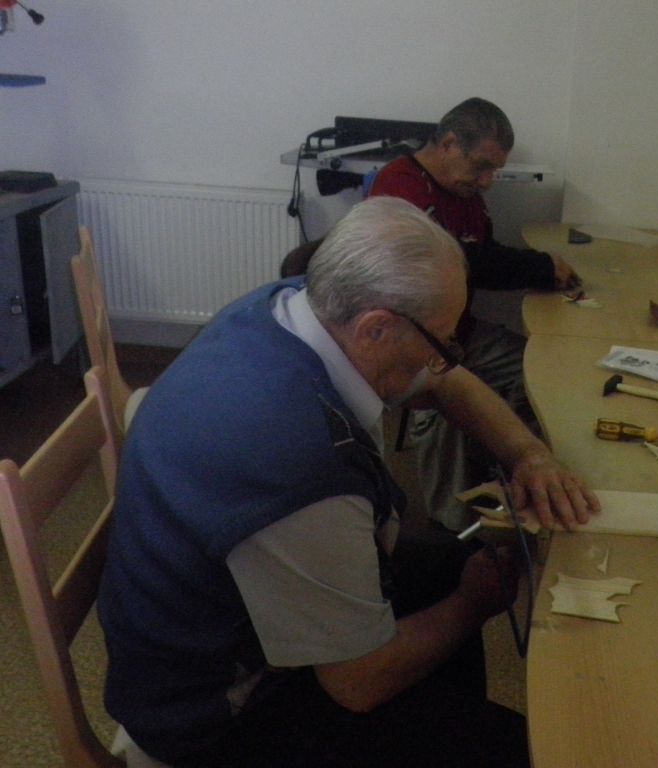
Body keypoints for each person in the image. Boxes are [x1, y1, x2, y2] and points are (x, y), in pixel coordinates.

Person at [98, 196, 599, 768]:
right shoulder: (299, 466)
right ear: (376, 329)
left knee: (446, 564)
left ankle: (438, 709)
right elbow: (357, 683)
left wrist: (529, 455)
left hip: (198, 621)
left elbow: (446, 381)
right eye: (440, 342)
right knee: (523, 750)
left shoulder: (290, 305)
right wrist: (474, 604)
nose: (442, 360)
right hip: (211, 712)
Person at [367, 97, 580, 530]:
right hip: (412, 341)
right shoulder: (401, 186)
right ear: (448, 143)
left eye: (493, 170)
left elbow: (484, 252)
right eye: (481, 167)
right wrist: (539, 267)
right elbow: (463, 263)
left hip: (457, 332)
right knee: (445, 405)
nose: (487, 181)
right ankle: (451, 528)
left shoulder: (464, 193)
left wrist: (544, 269)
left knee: (540, 367)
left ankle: (511, 468)